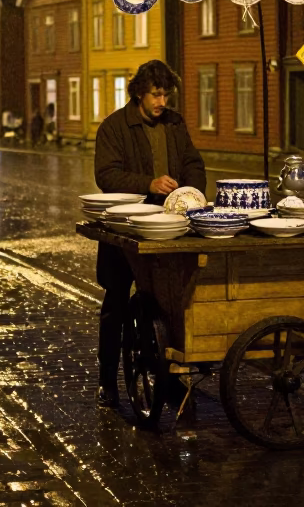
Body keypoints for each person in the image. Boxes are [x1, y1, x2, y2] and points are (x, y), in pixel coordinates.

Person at [92, 60, 207, 407]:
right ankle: (107, 381)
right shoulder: (114, 127)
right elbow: (107, 175)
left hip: (167, 228)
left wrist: (190, 195)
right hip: (124, 229)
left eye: (166, 95)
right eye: (156, 95)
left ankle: (168, 377)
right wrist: (149, 184)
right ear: (140, 92)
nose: (162, 102)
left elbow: (193, 162)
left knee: (166, 303)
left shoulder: (174, 123)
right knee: (115, 304)